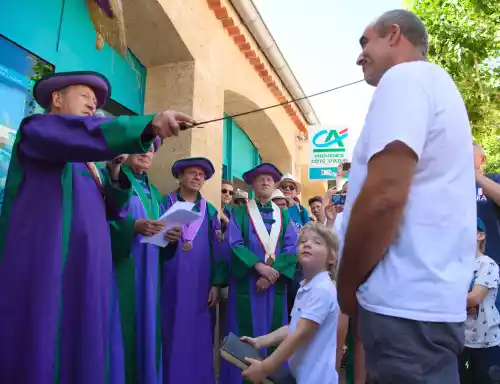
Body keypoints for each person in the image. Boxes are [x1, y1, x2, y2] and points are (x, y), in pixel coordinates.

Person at [0, 70, 194, 384]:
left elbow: (111, 213)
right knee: (44, 350)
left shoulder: (89, 163)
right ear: (57, 98)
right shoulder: (37, 130)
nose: (93, 103)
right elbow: (77, 135)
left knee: (86, 354)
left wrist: (115, 172)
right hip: (50, 271)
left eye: (96, 100)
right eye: (85, 95)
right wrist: (147, 124)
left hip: (88, 274)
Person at [338, 10, 475, 383]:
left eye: (365, 41)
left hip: (404, 311)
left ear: (394, 34)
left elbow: (385, 196)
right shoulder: (435, 85)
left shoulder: (406, 78)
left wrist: (346, 286)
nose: (359, 55)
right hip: (424, 310)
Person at [219, 163, 298, 384]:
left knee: (274, 337)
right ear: (252, 184)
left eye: (270, 180)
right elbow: (234, 243)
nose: (265, 182)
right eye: (261, 178)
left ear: (275, 185)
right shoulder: (239, 212)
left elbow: (292, 248)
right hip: (247, 285)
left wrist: (270, 275)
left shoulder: (284, 215)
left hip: (274, 287)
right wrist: (258, 267)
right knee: (242, 337)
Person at [242, 222, 339, 384]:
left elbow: (300, 334)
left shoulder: (322, 289)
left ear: (332, 257)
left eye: (317, 242)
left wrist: (265, 367)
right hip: (302, 375)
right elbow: (293, 326)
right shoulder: (305, 287)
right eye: (303, 242)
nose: (307, 244)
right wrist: (261, 341)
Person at [161, 157, 225, 383]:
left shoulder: (210, 211)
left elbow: (218, 249)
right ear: (180, 176)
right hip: (170, 280)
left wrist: (216, 284)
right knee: (170, 330)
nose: (197, 177)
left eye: (201, 174)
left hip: (200, 282)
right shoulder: (164, 203)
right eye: (192, 173)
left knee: (199, 334)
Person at [107, 138, 165, 384]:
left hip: (150, 272)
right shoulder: (116, 180)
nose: (147, 153)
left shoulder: (155, 193)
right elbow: (100, 221)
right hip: (122, 269)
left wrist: (169, 236)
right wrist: (133, 227)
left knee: (148, 331)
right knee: (122, 332)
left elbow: (158, 232)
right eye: (141, 147)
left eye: (151, 150)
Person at [459, 218, 500, 384]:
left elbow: (475, 297)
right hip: (463, 342)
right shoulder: (457, 266)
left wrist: (442, 298)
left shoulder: (487, 264)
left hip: (487, 343)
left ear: (480, 235)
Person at [474, 142, 500, 309]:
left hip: (493, 263)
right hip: (460, 266)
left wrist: (477, 177)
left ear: (482, 159)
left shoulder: (493, 180)